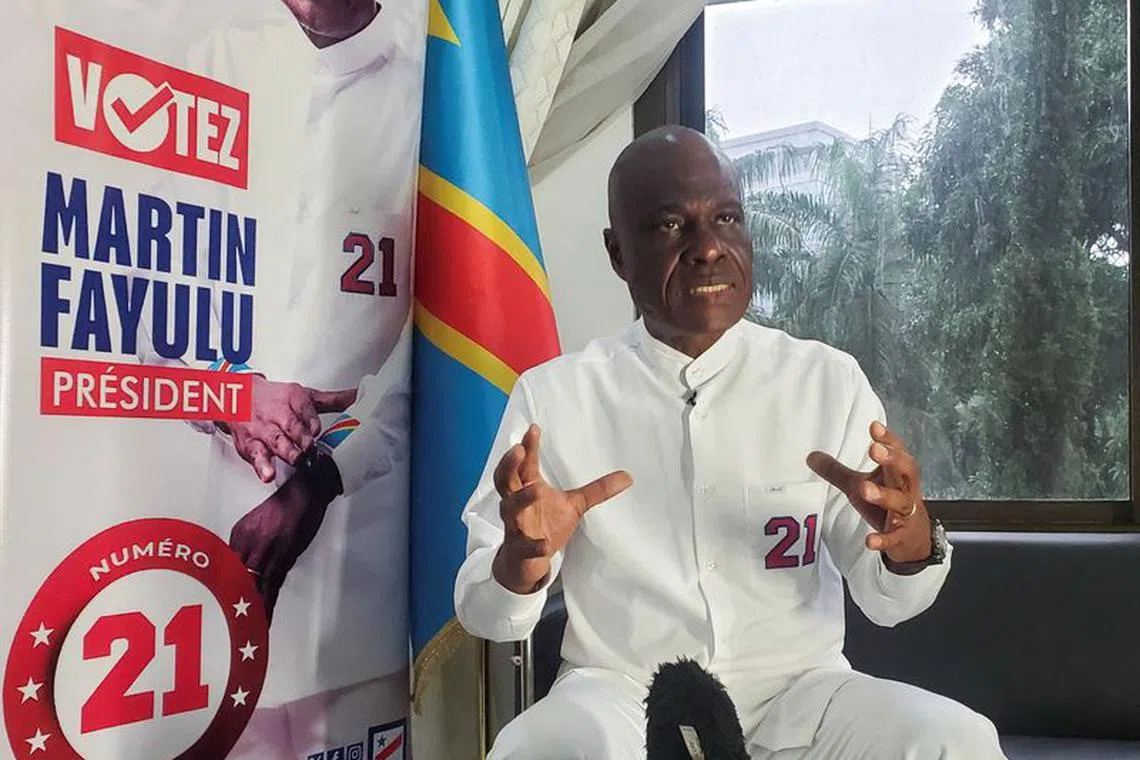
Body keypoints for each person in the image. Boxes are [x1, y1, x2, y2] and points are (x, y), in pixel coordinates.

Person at [454, 126, 1007, 759]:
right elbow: (487, 613)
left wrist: (909, 538)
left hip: (802, 700)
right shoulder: (554, 397)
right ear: (616, 254)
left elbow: (891, 603)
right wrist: (522, 558)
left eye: (725, 218)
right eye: (668, 226)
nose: (708, 249)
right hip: (624, 703)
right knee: (539, 748)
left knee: (954, 740)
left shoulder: (824, 380)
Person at [125, 0, 421, 755]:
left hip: (362, 572)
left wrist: (321, 474)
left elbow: (440, 352)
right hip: (198, 546)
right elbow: (130, 291)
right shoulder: (206, 63)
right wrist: (230, 395)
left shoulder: (433, 98)